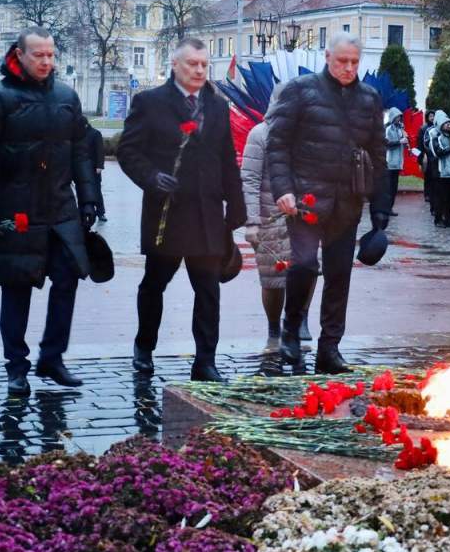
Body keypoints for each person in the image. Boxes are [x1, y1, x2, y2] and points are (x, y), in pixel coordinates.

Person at [0, 26, 99, 396]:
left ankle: (52, 358)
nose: (46, 61)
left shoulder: (66, 96)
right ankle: (16, 365)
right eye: (38, 55)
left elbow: (80, 152)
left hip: (60, 207)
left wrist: (89, 198)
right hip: (16, 209)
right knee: (17, 287)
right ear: (20, 55)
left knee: (68, 278)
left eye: (51, 55)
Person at [117, 37, 246, 382]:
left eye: (204, 64)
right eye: (193, 64)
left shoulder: (217, 106)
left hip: (206, 215)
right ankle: (144, 347)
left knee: (208, 289)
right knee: (155, 283)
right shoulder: (150, 102)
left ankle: (205, 360)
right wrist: (151, 177)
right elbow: (128, 152)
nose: (200, 70)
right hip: (167, 214)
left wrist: (236, 205)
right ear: (175, 65)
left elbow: (225, 158)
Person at [266, 31, 391, 374]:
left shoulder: (369, 98)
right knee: (305, 264)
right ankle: (291, 328)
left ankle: (329, 347)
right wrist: (283, 189)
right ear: (327, 57)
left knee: (339, 276)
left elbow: (378, 154)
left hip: (347, 201)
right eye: (342, 61)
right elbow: (277, 144)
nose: (349, 68)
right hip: (305, 200)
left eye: (354, 62)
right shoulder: (300, 91)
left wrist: (380, 206)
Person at [242, 117, 316, 353]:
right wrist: (252, 221)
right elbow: (250, 180)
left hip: (304, 215)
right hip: (271, 218)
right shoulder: (260, 134)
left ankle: (297, 322)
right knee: (273, 279)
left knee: (309, 268)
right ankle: (274, 329)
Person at [426, 109, 450, 227]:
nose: (449, 125)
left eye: (449, 123)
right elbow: (437, 152)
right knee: (440, 198)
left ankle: (448, 219)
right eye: (446, 123)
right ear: (440, 123)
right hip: (440, 172)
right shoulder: (434, 134)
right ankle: (438, 220)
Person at [384, 108, 409, 216]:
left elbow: (403, 142)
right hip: (390, 162)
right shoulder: (388, 129)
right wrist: (400, 142)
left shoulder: (400, 129)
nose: (399, 119)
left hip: (398, 162)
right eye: (397, 117)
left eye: (400, 117)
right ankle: (386, 208)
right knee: (389, 188)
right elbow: (386, 144)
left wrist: (406, 141)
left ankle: (390, 208)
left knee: (394, 188)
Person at [84, 117, 107, 222]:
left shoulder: (95, 134)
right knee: (84, 191)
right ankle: (86, 212)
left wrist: (99, 166)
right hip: (83, 168)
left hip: (94, 168)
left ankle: (100, 213)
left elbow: (100, 151)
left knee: (97, 190)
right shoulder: (78, 135)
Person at [417, 109, 437, 211]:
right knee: (427, 176)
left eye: (433, 116)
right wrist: (420, 159)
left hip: (434, 156)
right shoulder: (423, 128)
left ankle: (432, 194)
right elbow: (420, 145)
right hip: (426, 155)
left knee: (433, 176)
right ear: (427, 117)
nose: (432, 118)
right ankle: (427, 194)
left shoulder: (436, 128)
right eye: (430, 116)